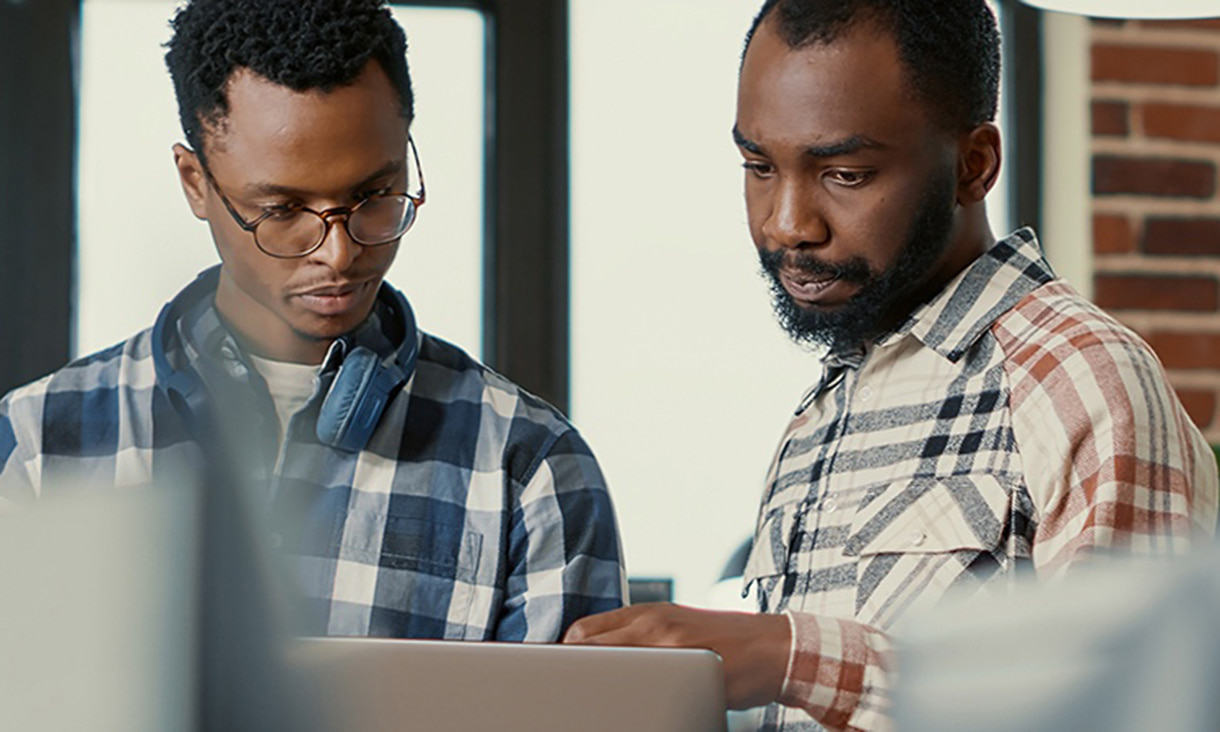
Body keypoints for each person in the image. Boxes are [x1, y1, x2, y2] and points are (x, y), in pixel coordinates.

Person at [564, 1, 1218, 729]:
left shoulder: (1082, 379)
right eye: (758, 167)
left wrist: (789, 656)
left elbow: (1133, 711)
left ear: (974, 166)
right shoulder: (822, 415)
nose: (787, 223)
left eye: (845, 174)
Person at [0, 0, 625, 642]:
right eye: (283, 210)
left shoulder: (531, 468)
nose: (340, 253)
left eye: (374, 196)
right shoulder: (35, 446)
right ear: (195, 182)